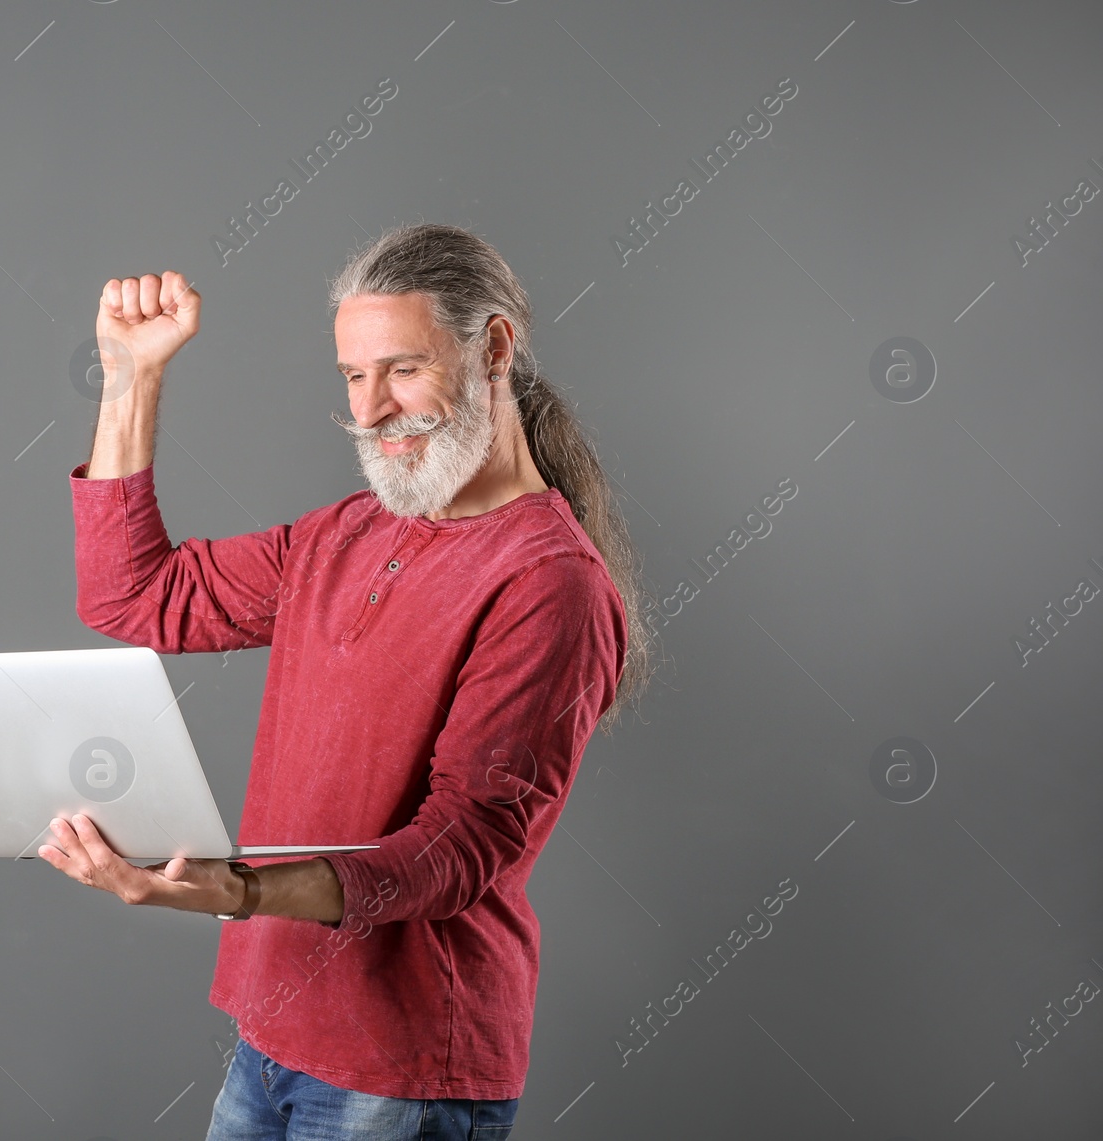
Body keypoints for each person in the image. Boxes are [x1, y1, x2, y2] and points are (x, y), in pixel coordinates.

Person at [40, 223, 655, 1140]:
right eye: (352, 378)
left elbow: (456, 849)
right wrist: (131, 377)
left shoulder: (550, 582)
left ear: (493, 348)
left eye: (401, 370)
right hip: (272, 1032)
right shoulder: (348, 532)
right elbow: (138, 596)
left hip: (401, 1073)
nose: (370, 411)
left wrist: (242, 890)